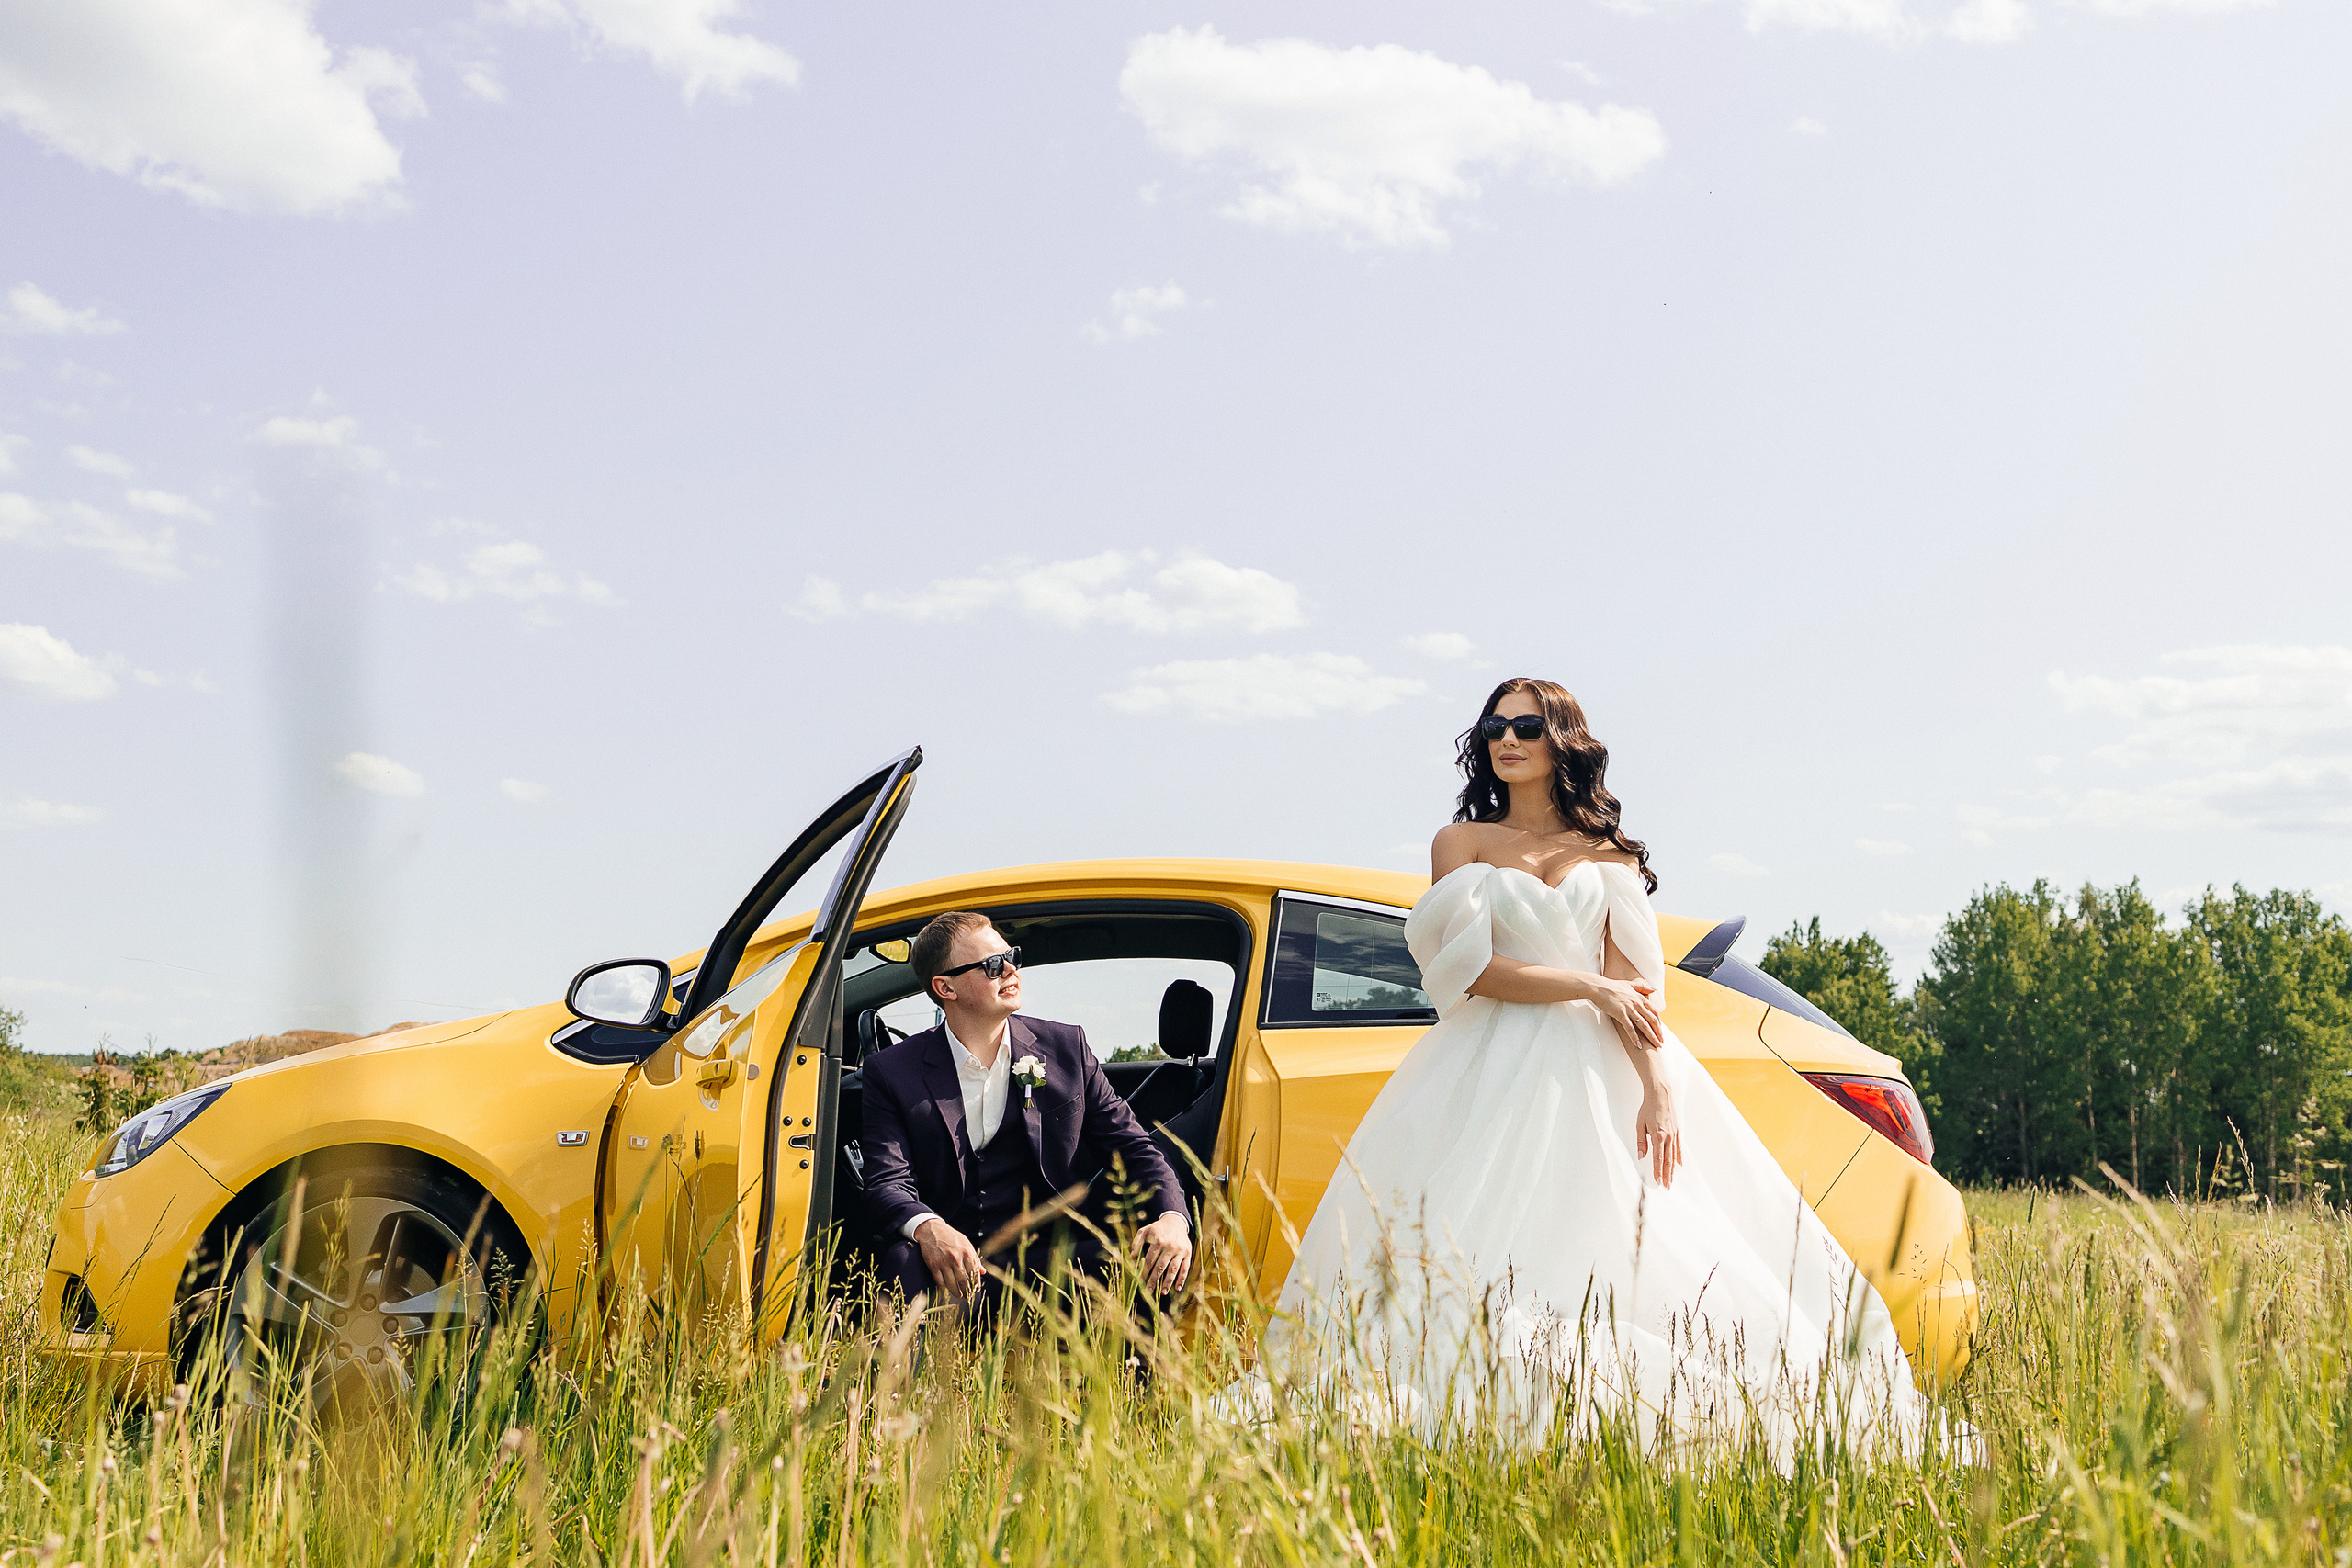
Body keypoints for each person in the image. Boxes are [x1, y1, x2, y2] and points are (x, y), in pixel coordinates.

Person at [1268, 678, 1934, 1456]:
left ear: (1563, 740)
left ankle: (1624, 1417)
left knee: (1629, 1236)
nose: (1505, 739)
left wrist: (1658, 1088)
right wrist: (1587, 985)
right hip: (1489, 1063)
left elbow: (1636, 990)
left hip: (1601, 1071)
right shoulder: (1463, 843)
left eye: (1525, 725)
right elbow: (1469, 969)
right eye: (1493, 726)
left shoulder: (1609, 852)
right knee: (1466, 1237)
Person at [860, 910, 1194, 1315]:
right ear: (945, 987)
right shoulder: (893, 1072)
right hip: (951, 1264)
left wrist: (1173, 1218)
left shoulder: (1066, 1048)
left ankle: (1132, 1379)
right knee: (902, 1262)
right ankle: (913, 1380)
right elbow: (886, 1182)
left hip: (1050, 1258)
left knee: (1152, 1262)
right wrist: (929, 1228)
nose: (1011, 970)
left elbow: (1133, 1146)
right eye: (992, 965)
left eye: (1010, 956)